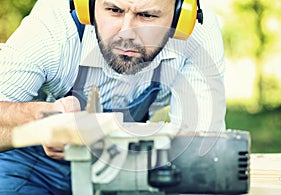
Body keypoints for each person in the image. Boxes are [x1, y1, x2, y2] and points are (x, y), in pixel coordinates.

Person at [0, 0, 226, 194]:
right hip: (30, 169)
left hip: (123, 166)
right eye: (114, 10)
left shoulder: (199, 33)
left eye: (146, 15)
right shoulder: (52, 26)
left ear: (180, 18)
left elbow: (200, 153)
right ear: (87, 6)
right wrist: (38, 119)